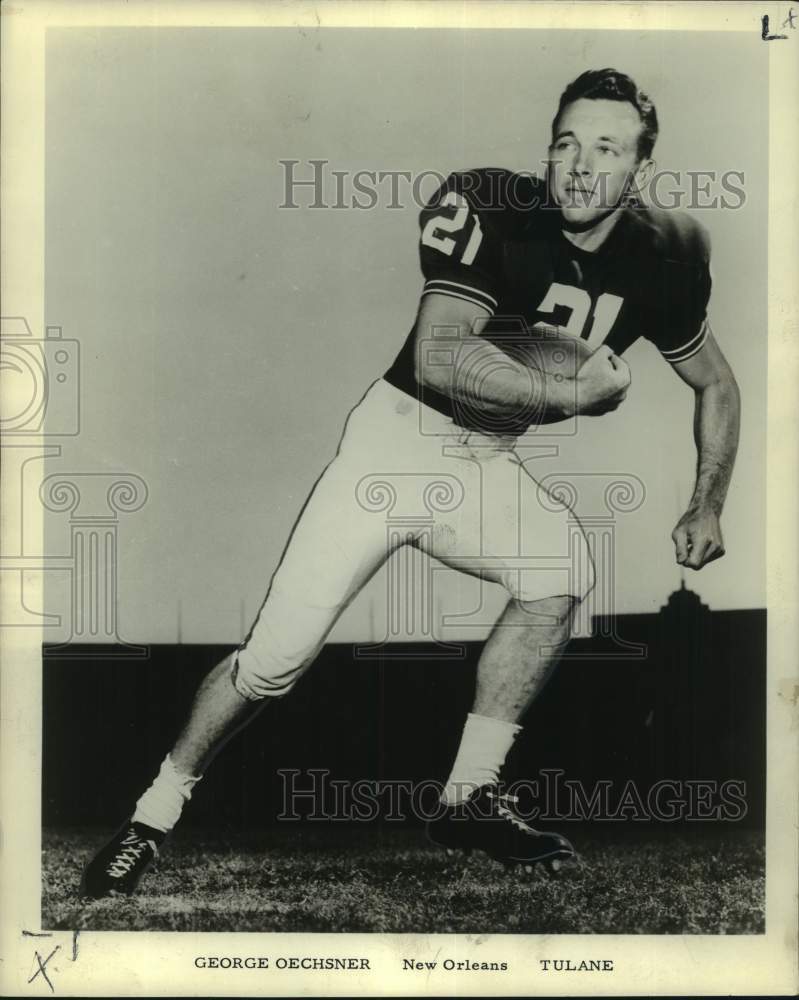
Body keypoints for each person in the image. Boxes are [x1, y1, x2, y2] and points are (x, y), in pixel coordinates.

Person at [81, 68, 740, 898]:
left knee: (561, 572)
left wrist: (706, 499)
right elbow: (441, 354)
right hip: (395, 448)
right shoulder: (493, 204)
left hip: (485, 461)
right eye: (564, 141)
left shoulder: (669, 252)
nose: (577, 164)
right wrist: (573, 397)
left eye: (605, 148)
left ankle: (468, 796)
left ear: (641, 168)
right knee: (273, 662)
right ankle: (150, 818)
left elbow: (715, 383)